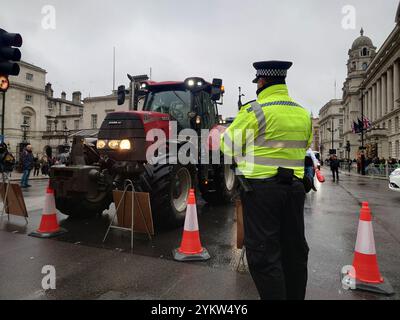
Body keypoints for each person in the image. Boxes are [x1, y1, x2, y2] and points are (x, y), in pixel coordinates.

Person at [221, 61, 312, 300]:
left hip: (262, 192)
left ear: (261, 82)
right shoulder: (302, 113)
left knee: (264, 255)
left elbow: (227, 146)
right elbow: (304, 146)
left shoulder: (254, 110)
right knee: (294, 252)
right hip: (294, 190)